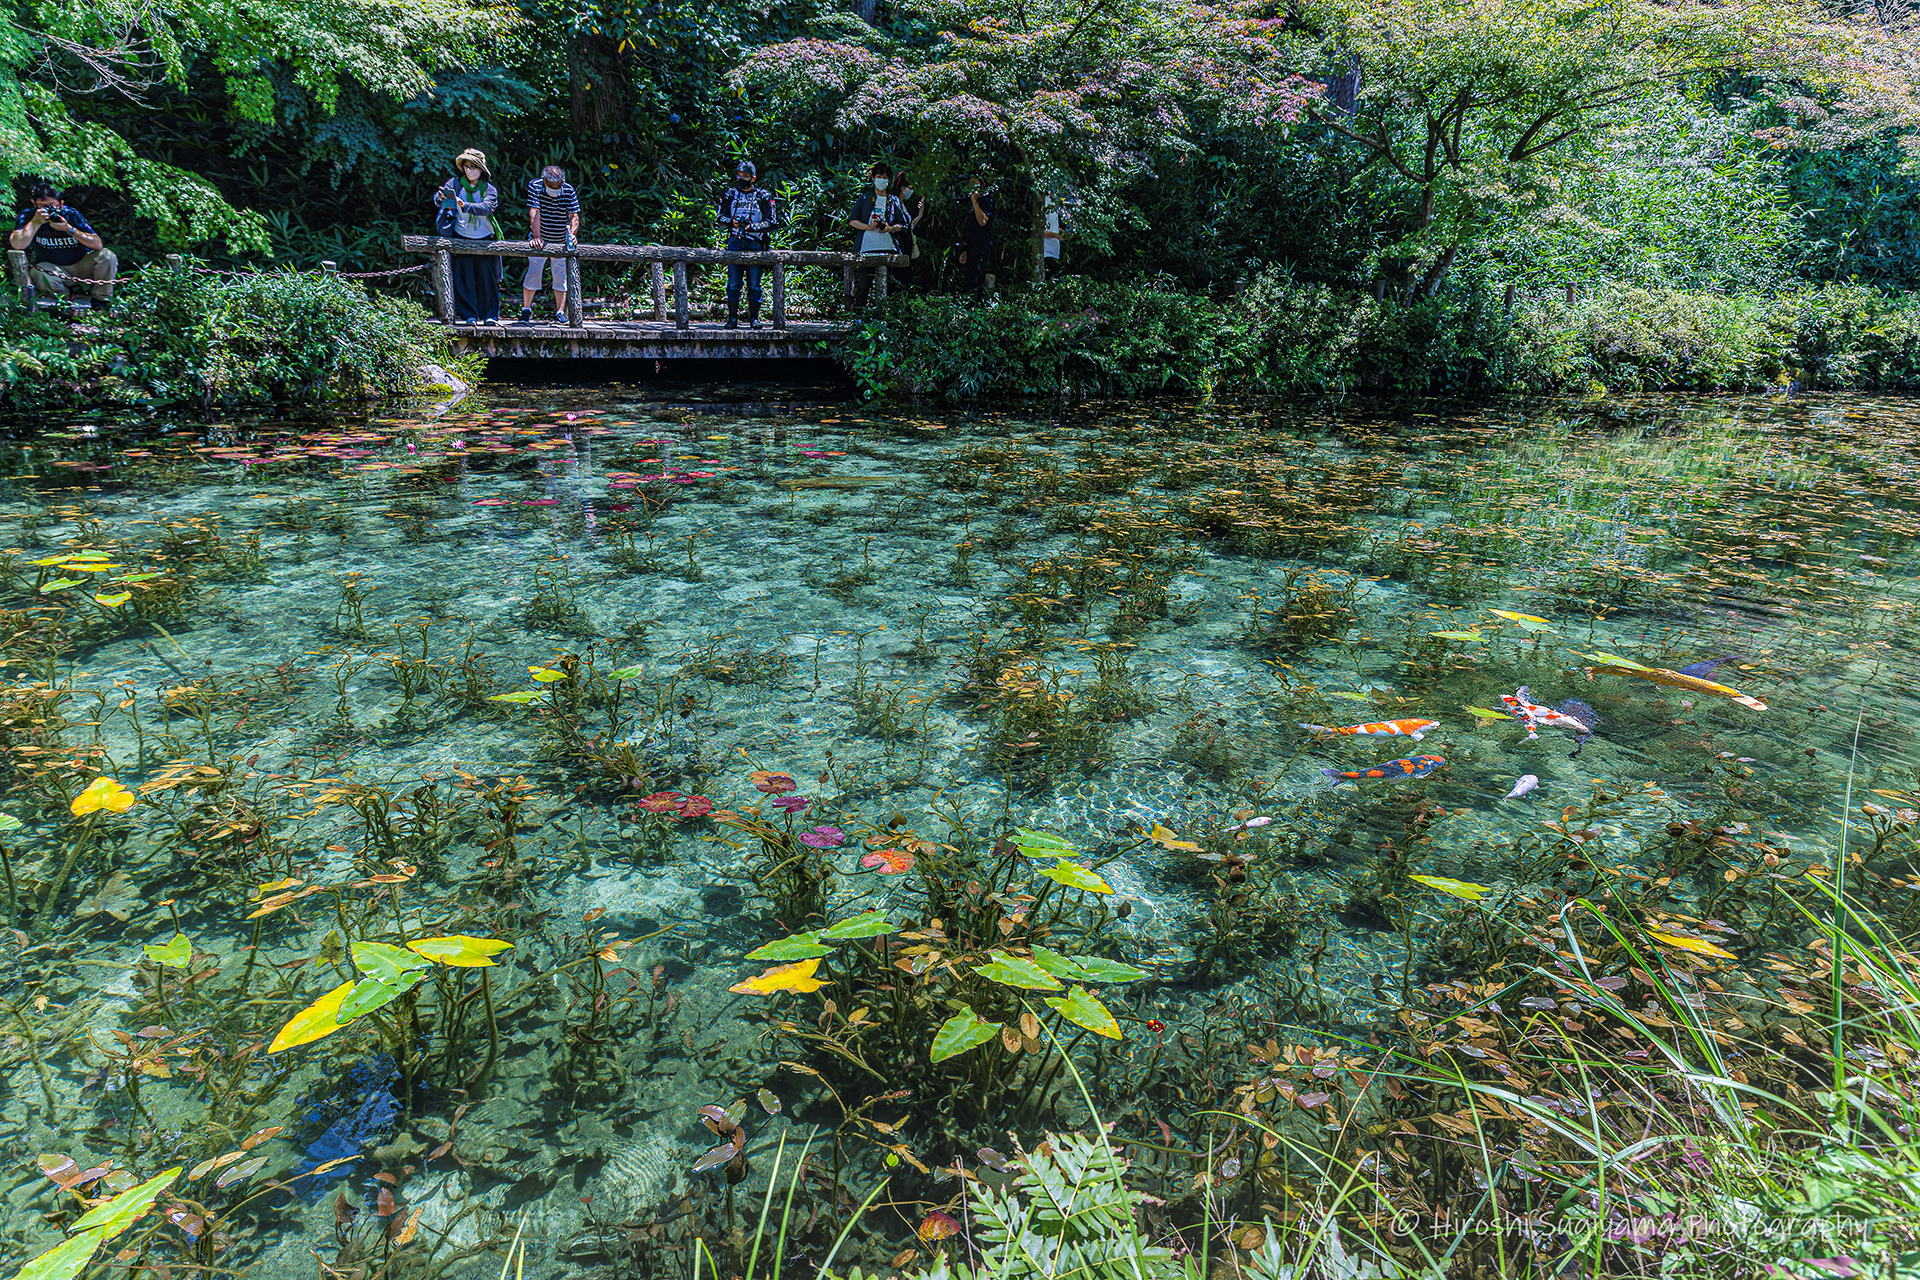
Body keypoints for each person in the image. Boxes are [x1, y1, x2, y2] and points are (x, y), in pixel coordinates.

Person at [9, 182, 116, 310]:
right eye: (43, 206)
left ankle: (101, 301)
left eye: (52, 206)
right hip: (53, 268)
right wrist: (35, 222)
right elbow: (17, 244)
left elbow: (97, 244)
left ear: (61, 203)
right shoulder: (27, 215)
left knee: (107, 256)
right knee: (38, 272)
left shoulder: (71, 214)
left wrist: (69, 229)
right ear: (34, 203)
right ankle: (64, 301)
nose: (49, 210)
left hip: (81, 265)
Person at [433, 149, 501, 325]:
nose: (469, 170)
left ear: (481, 170)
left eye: (473, 167)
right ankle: (469, 315)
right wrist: (440, 198)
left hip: (485, 238)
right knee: (464, 277)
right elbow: (441, 199)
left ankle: (490, 315)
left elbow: (487, 208)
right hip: (461, 235)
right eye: (467, 166)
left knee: (486, 278)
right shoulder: (454, 184)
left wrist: (465, 205)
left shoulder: (489, 189)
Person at [715, 161, 777, 329]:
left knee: (754, 284)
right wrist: (732, 222)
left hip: (755, 243)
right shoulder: (730, 194)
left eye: (746, 176)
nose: (741, 178)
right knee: (733, 283)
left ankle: (754, 318)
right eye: (739, 175)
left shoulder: (763, 196)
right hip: (734, 242)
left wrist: (752, 227)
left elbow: (772, 221)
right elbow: (720, 217)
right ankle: (732, 318)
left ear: (753, 178)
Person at [518, 164, 581, 326]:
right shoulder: (536, 186)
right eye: (551, 186)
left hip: (560, 239)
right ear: (544, 181)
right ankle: (526, 309)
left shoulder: (568, 190)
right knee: (533, 272)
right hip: (541, 237)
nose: (555, 189)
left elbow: (574, 216)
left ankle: (560, 311)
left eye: (557, 186)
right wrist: (537, 237)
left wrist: (571, 236)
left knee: (560, 276)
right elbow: (534, 212)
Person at [846, 162, 910, 311]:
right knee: (863, 285)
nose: (881, 180)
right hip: (867, 248)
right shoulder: (864, 199)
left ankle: (885, 317)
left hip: (889, 250)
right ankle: (859, 317)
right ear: (873, 179)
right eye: (879, 177)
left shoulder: (894, 201)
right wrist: (868, 227)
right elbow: (852, 221)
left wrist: (890, 228)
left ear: (889, 180)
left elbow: (904, 225)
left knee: (889, 286)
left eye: (885, 177)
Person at [955, 172, 995, 298]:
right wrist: (965, 249)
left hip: (981, 249)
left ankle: (973, 312)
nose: (971, 185)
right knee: (968, 282)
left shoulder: (986, 200)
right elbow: (971, 228)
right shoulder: (974, 203)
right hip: (972, 249)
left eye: (974, 182)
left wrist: (975, 202)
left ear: (982, 184)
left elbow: (983, 221)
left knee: (974, 284)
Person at [890, 172, 927, 292]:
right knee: (901, 282)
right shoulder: (893, 203)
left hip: (906, 250)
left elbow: (908, 227)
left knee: (906, 282)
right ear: (903, 188)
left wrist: (919, 215)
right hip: (899, 249)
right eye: (910, 188)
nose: (911, 191)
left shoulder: (902, 205)